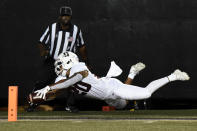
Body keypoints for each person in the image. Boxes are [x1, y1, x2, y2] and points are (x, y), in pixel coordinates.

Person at [29, 52, 190, 109]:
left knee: (146, 93)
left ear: (69, 61)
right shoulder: (62, 77)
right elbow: (57, 91)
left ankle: (173, 75)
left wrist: (49, 87)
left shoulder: (78, 67)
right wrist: (39, 98)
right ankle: (132, 73)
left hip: (111, 87)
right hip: (106, 96)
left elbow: (72, 81)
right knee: (123, 105)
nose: (58, 67)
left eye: (60, 63)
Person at [29, 6, 88, 112]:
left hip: (69, 64)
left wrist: (86, 60)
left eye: (67, 15)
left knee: (72, 83)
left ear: (70, 17)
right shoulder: (52, 28)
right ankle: (33, 102)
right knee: (42, 82)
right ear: (60, 16)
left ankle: (70, 105)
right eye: (63, 15)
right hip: (53, 61)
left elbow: (81, 46)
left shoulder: (76, 30)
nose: (65, 17)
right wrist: (43, 52)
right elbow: (42, 42)